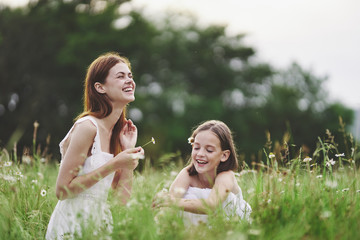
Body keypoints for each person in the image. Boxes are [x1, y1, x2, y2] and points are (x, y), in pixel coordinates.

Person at [46, 52, 144, 239]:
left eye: (130, 76)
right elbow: (62, 190)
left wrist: (127, 155)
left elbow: (120, 201)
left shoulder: (118, 134)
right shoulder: (87, 127)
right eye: (120, 76)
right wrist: (115, 163)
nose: (129, 81)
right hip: (71, 224)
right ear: (100, 87)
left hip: (100, 226)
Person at [154, 120, 251, 225]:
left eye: (209, 150)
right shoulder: (187, 174)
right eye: (196, 147)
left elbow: (211, 205)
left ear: (224, 155)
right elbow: (170, 204)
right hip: (195, 228)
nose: (200, 154)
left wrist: (172, 202)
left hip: (228, 226)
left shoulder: (226, 176)